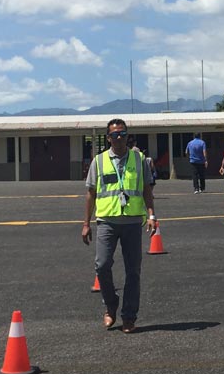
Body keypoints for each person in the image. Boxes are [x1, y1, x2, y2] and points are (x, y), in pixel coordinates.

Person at [82, 118, 157, 334]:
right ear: (108, 138)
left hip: (133, 221)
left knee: (133, 271)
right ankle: (111, 304)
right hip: (107, 221)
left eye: (122, 134)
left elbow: (146, 189)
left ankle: (129, 317)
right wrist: (86, 223)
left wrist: (151, 214)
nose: (118, 138)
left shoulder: (139, 159)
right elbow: (91, 193)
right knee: (102, 265)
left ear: (127, 136)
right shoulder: (99, 161)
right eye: (114, 134)